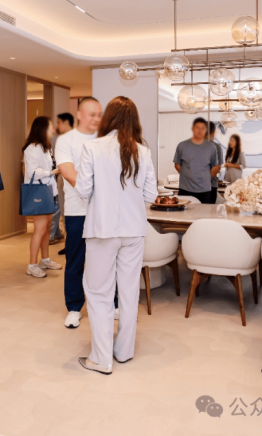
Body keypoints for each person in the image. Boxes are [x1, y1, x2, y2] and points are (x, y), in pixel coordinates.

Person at [75, 96, 158, 375]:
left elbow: (83, 191)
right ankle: (124, 351)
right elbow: (151, 195)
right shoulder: (142, 152)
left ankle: (101, 358)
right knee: (130, 291)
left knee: (99, 292)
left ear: (108, 118)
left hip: (102, 230)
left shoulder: (92, 147)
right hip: (134, 231)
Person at [55, 99, 102, 328]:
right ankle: (74, 307)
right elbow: (68, 172)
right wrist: (97, 192)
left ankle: (111, 303)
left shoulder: (106, 139)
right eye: (92, 114)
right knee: (75, 260)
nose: (96, 118)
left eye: (99, 114)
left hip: (103, 211)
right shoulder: (66, 140)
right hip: (77, 211)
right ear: (80, 114)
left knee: (105, 260)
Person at [22, 116, 63, 278]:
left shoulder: (45, 148)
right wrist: (50, 172)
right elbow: (31, 172)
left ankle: (45, 259)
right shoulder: (32, 148)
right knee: (39, 229)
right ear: (42, 129)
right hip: (39, 193)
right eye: (50, 127)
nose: (53, 130)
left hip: (49, 191)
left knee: (46, 228)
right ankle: (32, 265)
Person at [172, 117, 219, 204]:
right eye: (197, 128)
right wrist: (187, 175)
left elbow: (214, 167)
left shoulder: (212, 147)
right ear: (193, 129)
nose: (200, 131)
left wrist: (205, 178)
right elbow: (177, 164)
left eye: (202, 128)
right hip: (185, 189)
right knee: (184, 212)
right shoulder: (182, 145)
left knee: (204, 212)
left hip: (205, 190)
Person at [50, 113, 74, 245]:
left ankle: (71, 243)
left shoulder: (76, 138)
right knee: (63, 211)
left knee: (72, 211)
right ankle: (68, 242)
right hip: (60, 177)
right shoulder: (57, 138)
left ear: (66, 123)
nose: (57, 126)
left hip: (73, 176)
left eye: (59, 122)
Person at [208, 121, 224, 203]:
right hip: (210, 186)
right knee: (208, 209)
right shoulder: (216, 147)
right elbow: (217, 168)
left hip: (192, 186)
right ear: (213, 132)